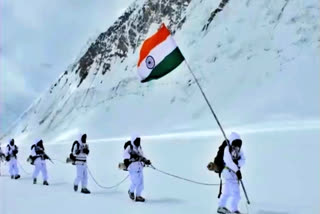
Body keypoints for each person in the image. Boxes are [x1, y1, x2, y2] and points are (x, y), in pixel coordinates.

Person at [217, 132, 246, 214]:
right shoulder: (227, 149)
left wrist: (238, 164)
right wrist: (237, 170)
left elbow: (243, 160)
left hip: (233, 173)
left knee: (227, 191)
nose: (237, 145)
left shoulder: (239, 150)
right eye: (235, 142)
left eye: (238, 143)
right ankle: (234, 210)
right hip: (228, 171)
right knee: (236, 192)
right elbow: (228, 162)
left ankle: (221, 206)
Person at [123, 134, 151, 202]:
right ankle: (131, 191)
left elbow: (142, 155)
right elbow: (124, 155)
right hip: (133, 168)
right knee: (135, 182)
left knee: (141, 183)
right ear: (133, 140)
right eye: (137, 140)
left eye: (139, 140)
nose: (138, 142)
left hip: (139, 168)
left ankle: (138, 196)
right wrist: (132, 157)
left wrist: (146, 161)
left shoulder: (139, 147)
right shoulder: (130, 147)